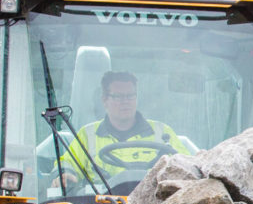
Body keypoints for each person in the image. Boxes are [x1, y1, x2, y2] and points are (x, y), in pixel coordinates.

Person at [53, 71, 188, 188]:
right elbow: (68, 163)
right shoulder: (88, 135)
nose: (125, 101)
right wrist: (65, 174)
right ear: (105, 100)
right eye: (118, 96)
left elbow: (187, 165)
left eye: (130, 96)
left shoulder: (163, 132)